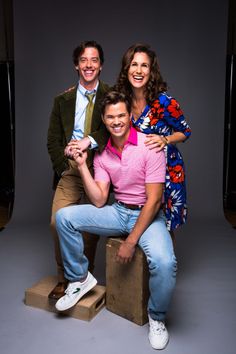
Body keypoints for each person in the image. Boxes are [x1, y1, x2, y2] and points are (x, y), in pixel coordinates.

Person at [55, 91, 177, 350]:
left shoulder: (149, 145)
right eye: (111, 117)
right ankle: (79, 279)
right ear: (104, 119)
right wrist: (81, 166)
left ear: (129, 116)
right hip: (119, 212)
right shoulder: (101, 155)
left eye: (121, 115)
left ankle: (157, 318)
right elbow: (99, 200)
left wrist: (131, 242)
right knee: (64, 216)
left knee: (165, 263)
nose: (117, 121)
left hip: (150, 215)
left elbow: (155, 200)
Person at [47, 40, 110, 300]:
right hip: (72, 169)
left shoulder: (112, 95)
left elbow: (113, 129)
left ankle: (85, 276)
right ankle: (65, 277)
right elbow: (52, 140)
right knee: (56, 222)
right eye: (83, 60)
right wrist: (64, 167)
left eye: (94, 60)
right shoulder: (63, 99)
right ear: (76, 65)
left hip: (100, 167)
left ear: (101, 65)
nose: (88, 65)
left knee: (89, 228)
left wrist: (89, 140)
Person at [114, 43, 191, 234]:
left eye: (144, 65)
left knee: (164, 225)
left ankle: (165, 262)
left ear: (151, 71)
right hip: (138, 172)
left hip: (167, 172)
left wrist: (165, 139)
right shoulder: (123, 100)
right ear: (127, 68)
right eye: (134, 64)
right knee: (140, 220)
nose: (138, 71)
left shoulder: (164, 101)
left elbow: (185, 131)